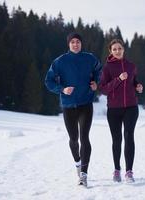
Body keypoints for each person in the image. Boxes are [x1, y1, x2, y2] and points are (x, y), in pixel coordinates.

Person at [45, 32, 101, 187]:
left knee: (84, 138)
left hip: (86, 103)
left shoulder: (89, 58)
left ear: (81, 44)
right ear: (68, 44)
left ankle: (84, 174)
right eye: (73, 42)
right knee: (74, 139)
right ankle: (77, 162)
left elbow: (99, 70)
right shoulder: (59, 61)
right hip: (68, 105)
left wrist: (95, 82)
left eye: (78, 42)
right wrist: (62, 89)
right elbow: (48, 81)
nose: (75, 44)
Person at [98, 39, 143, 183]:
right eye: (114, 49)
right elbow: (103, 89)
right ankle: (117, 170)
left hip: (131, 107)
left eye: (120, 48)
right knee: (117, 140)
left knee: (129, 137)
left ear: (124, 49)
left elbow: (134, 81)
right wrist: (118, 79)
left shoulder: (131, 66)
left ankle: (129, 172)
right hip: (114, 109)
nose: (117, 51)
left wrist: (138, 86)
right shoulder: (107, 68)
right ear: (110, 51)